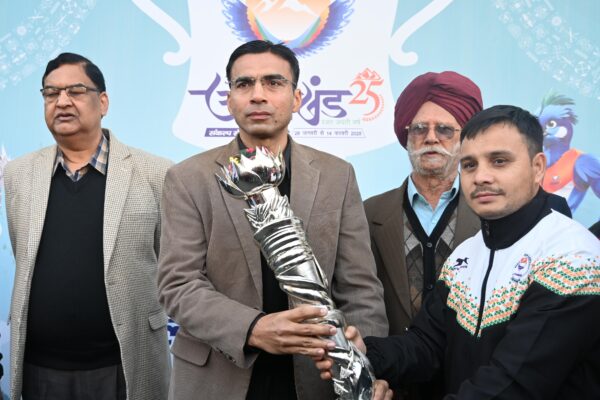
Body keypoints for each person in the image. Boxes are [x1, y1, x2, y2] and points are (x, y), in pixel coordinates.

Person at [317, 105, 600, 399]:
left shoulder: (572, 257)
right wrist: (365, 352)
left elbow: (511, 386)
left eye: (499, 161)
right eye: (470, 164)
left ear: (538, 167)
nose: (481, 177)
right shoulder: (467, 254)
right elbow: (427, 344)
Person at [158, 40, 388, 400]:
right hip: (218, 377)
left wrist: (368, 363)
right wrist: (254, 329)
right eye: (244, 84)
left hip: (316, 378)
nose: (258, 95)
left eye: (273, 82)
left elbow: (360, 290)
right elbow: (178, 284)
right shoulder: (188, 178)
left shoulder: (337, 175)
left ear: (297, 98)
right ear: (229, 99)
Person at [3, 53, 172, 400]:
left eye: (76, 91)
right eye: (51, 93)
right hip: (40, 368)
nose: (62, 101)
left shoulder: (156, 173)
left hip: (124, 365)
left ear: (103, 102)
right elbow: (24, 255)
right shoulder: (18, 174)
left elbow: (172, 264)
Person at [363, 72, 482, 399]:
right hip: (390, 383)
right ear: (406, 137)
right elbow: (356, 297)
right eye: (419, 129)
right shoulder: (368, 213)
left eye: (444, 129)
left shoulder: (491, 213)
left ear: (465, 137)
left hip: (473, 382)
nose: (431, 138)